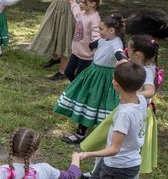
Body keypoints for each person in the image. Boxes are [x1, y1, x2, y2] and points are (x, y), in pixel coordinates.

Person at [81, 35, 160, 179]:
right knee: (105, 139)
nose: (125, 51)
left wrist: (133, 94)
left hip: (138, 112)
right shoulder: (136, 65)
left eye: (128, 49)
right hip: (125, 108)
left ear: (137, 54)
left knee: (133, 151)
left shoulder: (148, 70)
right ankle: (96, 173)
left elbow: (151, 91)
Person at [53, 14, 125, 143]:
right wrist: (92, 45)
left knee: (97, 103)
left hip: (104, 79)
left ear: (111, 30)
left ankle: (101, 135)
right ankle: (81, 133)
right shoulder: (106, 39)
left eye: (101, 29)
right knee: (87, 100)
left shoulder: (116, 43)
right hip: (93, 73)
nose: (99, 32)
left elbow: (119, 53)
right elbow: (96, 43)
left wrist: (123, 60)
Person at [61, 0, 101, 82]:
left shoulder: (94, 18)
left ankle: (79, 92)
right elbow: (76, 12)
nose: (80, 4)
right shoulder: (82, 13)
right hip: (76, 51)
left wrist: (94, 45)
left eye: (83, 2)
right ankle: (77, 88)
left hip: (86, 55)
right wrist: (72, 2)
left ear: (92, 3)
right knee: (68, 72)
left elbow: (97, 35)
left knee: (80, 77)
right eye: (80, 1)